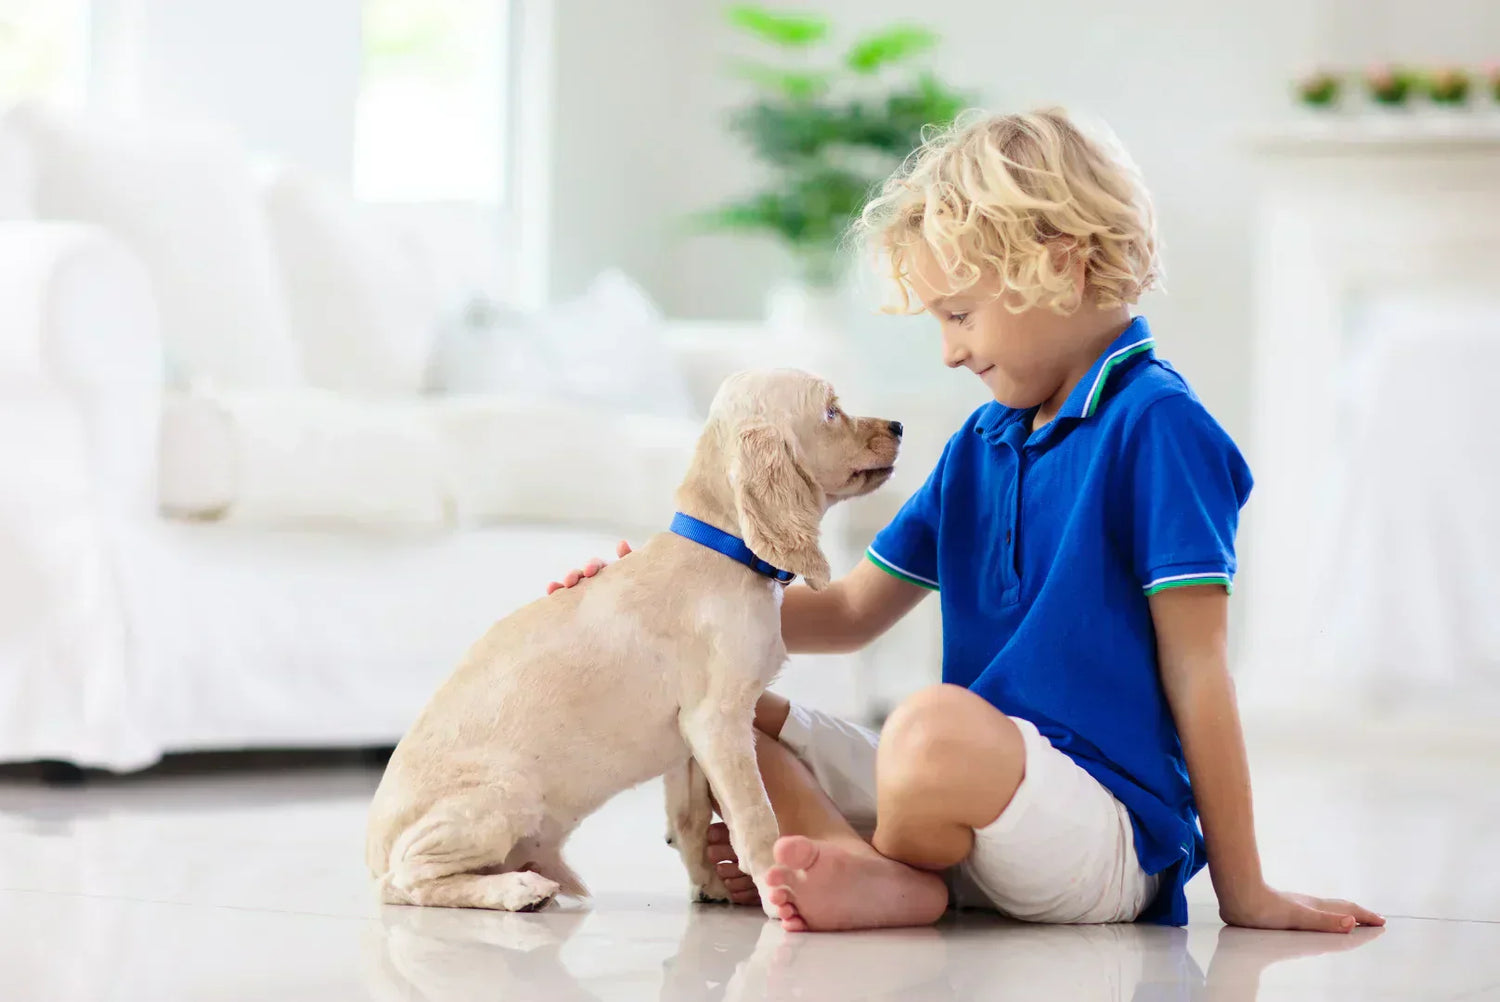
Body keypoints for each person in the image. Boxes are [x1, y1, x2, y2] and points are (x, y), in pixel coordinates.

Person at [549, 108, 1384, 935]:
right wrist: (663, 606)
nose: (949, 351)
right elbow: (844, 615)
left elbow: (1201, 671)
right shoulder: (982, 443)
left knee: (926, 726)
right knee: (735, 712)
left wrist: (1246, 892)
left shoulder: (1160, 428)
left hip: (1100, 833)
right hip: (967, 803)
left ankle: (878, 867)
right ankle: (873, 871)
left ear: (1059, 265)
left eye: (958, 314)